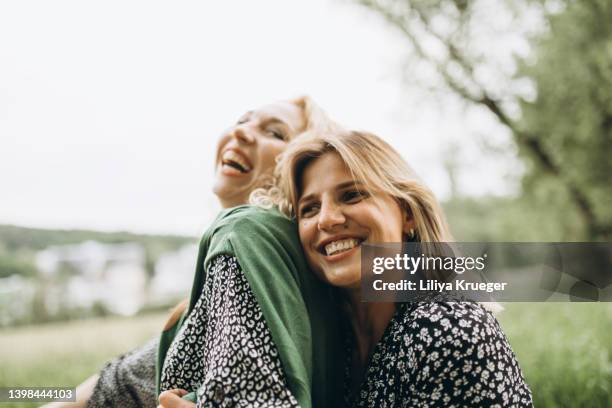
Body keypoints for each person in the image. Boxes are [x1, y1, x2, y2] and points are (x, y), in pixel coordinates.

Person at [43, 96, 343, 408]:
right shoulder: (249, 265)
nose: (240, 132)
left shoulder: (242, 235)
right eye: (242, 120)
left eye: (275, 133)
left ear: (306, 166)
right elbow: (122, 382)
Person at [269, 129, 534, 407]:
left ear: (407, 214)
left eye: (351, 195)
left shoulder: (448, 329)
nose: (326, 219)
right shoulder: (327, 340)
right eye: (309, 209)